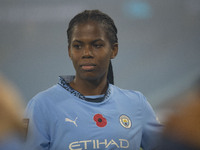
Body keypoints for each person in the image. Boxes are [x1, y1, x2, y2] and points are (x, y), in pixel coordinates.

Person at [25, 10, 162, 150]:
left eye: (97, 45)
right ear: (69, 52)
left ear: (114, 50)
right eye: (77, 46)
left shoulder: (136, 104)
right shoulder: (41, 106)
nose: (86, 53)